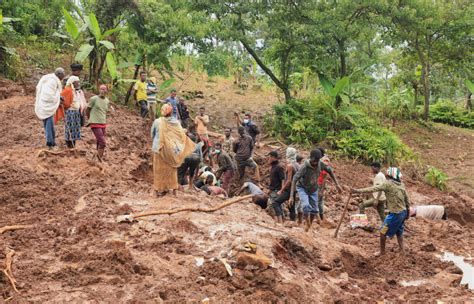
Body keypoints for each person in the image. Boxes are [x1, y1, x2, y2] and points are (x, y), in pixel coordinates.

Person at [351, 167, 410, 256]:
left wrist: (357, 191)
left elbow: (373, 189)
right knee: (399, 232)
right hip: (403, 212)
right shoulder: (401, 184)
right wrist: (408, 212)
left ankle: (382, 252)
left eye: (388, 175)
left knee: (382, 232)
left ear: (390, 176)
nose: (386, 177)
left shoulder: (388, 184)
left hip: (395, 214)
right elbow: (407, 199)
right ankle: (402, 251)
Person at [289, 149, 342, 232]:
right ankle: (307, 223)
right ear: (311, 158)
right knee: (306, 206)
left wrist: (337, 184)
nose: (316, 163)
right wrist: (291, 196)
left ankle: (309, 223)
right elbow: (295, 179)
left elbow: (330, 171)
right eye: (314, 161)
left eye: (317, 161)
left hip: (314, 189)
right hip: (303, 188)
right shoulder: (305, 166)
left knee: (314, 210)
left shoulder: (321, 164)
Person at [151, 104, 195, 196]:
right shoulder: (176, 122)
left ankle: (157, 190)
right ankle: (174, 190)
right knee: (171, 170)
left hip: (158, 148)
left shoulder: (157, 122)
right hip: (171, 150)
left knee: (158, 170)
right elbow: (181, 135)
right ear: (171, 112)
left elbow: (152, 134)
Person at [35, 68, 66, 149]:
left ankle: (51, 142)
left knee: (47, 123)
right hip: (47, 105)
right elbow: (48, 95)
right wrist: (58, 98)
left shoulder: (50, 78)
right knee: (49, 124)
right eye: (63, 73)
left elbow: (53, 93)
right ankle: (50, 143)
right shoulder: (52, 81)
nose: (64, 75)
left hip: (45, 104)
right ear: (59, 74)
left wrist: (59, 97)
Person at [272, 147, 300, 223]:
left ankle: (280, 222)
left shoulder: (290, 166)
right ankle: (293, 221)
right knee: (291, 206)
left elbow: (289, 181)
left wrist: (281, 190)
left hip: (289, 189)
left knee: (275, 203)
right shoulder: (297, 164)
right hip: (294, 190)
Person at [86, 85, 112, 161]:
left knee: (99, 142)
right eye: (101, 89)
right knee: (103, 142)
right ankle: (99, 160)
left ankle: (95, 159)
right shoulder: (94, 99)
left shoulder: (107, 100)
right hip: (94, 123)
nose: (102, 91)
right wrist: (90, 119)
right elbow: (87, 110)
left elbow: (105, 111)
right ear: (99, 90)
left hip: (103, 123)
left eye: (104, 89)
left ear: (107, 91)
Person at [60, 76, 82, 149]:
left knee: (74, 130)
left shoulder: (74, 90)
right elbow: (63, 100)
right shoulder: (68, 90)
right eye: (77, 82)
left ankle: (73, 146)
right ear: (73, 82)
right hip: (70, 112)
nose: (78, 83)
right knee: (70, 129)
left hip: (75, 112)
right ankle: (69, 146)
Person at [267, 151, 286, 223]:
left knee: (272, 204)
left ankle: (279, 222)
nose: (268, 158)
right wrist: (270, 189)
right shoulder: (273, 166)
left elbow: (283, 179)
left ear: (273, 157)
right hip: (273, 189)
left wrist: (281, 190)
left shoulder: (279, 167)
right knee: (275, 205)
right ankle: (278, 222)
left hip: (277, 189)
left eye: (270, 157)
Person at [316, 147, 333, 221]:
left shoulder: (324, 160)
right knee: (319, 200)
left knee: (317, 200)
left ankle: (319, 218)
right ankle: (320, 217)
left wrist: (322, 188)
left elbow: (324, 174)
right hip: (318, 183)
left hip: (319, 183)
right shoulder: (321, 160)